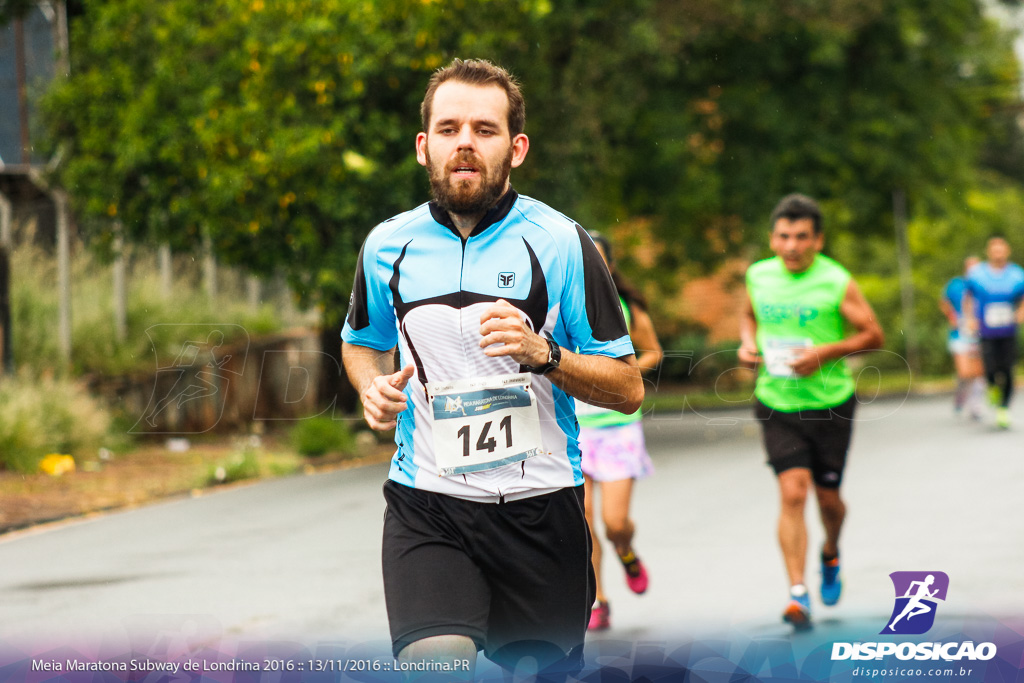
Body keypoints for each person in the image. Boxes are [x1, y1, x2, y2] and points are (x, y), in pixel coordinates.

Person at [341, 58, 644, 680]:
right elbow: (360, 342)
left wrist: (545, 354)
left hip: (541, 510)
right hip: (429, 505)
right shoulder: (386, 245)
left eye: (485, 129)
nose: (465, 145)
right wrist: (369, 384)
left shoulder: (561, 242)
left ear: (517, 147)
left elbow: (628, 388)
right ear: (424, 147)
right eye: (449, 129)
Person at [738, 193, 884, 630]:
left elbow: (872, 334)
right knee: (793, 493)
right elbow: (749, 317)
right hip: (777, 402)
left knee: (829, 502)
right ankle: (798, 594)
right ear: (772, 238)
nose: (792, 245)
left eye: (802, 237)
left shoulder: (836, 280)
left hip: (830, 404)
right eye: (784, 236)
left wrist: (828, 352)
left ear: (818, 241)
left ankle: (831, 551)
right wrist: (747, 343)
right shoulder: (758, 276)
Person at [577, 231, 663, 632]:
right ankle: (598, 600)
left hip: (617, 429)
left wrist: (622, 376)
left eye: (597, 259)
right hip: (574, 430)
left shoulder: (626, 308)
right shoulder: (560, 307)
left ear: (609, 266)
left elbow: (653, 351)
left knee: (613, 523)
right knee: (584, 522)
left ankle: (626, 552)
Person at [962, 235, 1024, 429]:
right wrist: (970, 318)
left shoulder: (1017, 274)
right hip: (986, 331)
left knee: (1007, 369)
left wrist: (1020, 314)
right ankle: (992, 389)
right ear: (988, 252)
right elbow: (968, 298)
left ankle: (1004, 407)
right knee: (989, 368)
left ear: (1007, 251)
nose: (998, 254)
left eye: (1001, 250)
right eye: (994, 250)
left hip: (1008, 330)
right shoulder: (977, 274)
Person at [939, 256, 986, 419]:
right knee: (965, 372)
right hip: (959, 334)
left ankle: (975, 405)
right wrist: (952, 316)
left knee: (979, 372)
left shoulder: (984, 285)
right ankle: (961, 393)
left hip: (980, 334)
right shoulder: (956, 284)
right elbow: (944, 302)